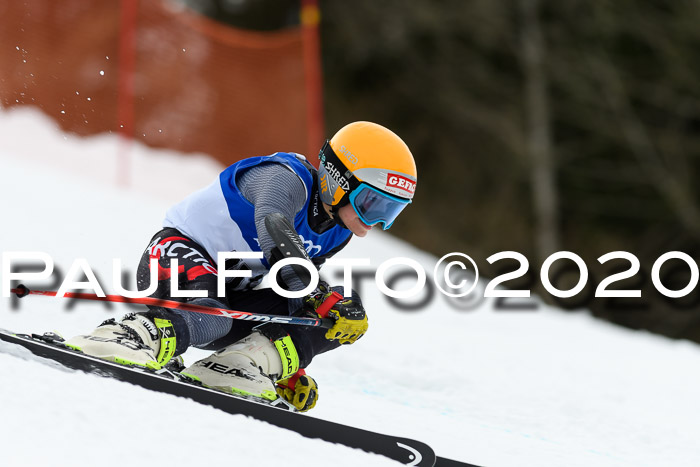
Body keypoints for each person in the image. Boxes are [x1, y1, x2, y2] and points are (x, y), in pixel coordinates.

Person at [65, 121, 417, 412]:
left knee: (342, 313)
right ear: (338, 179)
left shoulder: (338, 232)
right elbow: (274, 231)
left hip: (229, 296)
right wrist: (318, 292)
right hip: (176, 256)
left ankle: (241, 365)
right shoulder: (286, 178)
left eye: (391, 212)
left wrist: (291, 366)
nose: (377, 223)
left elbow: (293, 293)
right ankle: (130, 336)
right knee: (223, 312)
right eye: (372, 204)